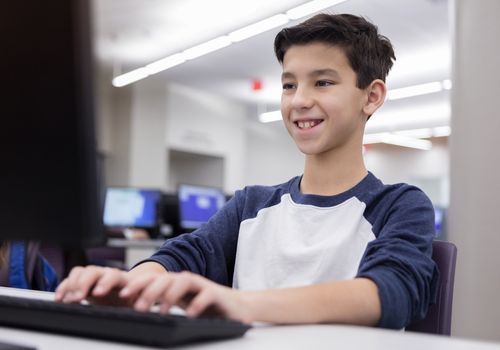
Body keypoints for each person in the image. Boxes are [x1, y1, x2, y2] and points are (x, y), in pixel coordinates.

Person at [55, 13, 438, 329]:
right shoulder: (252, 204)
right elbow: (186, 255)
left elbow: (390, 293)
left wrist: (242, 304)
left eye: (322, 82)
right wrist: (129, 283)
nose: (300, 100)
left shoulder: (400, 205)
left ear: (371, 96)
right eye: (289, 85)